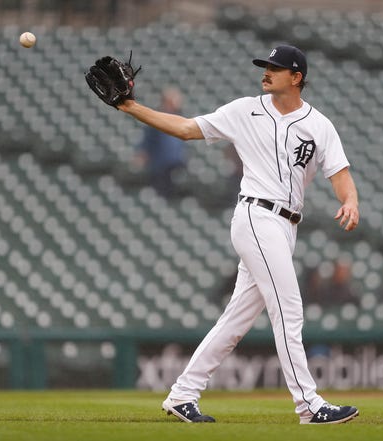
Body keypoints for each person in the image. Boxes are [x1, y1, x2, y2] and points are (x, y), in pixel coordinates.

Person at [112, 45, 360, 424]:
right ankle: (309, 405)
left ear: (296, 78)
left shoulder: (319, 125)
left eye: (275, 68)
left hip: (286, 226)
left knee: (235, 322)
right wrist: (132, 107)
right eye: (265, 66)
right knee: (289, 309)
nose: (267, 72)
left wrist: (350, 202)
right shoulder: (246, 109)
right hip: (257, 216)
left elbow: (341, 176)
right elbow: (186, 128)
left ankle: (182, 394)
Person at [133, 87, 188, 198]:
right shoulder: (156, 118)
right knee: (161, 193)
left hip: (176, 165)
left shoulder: (180, 118)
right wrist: (142, 155)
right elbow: (148, 140)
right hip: (160, 165)